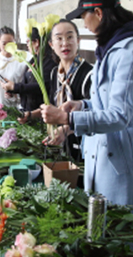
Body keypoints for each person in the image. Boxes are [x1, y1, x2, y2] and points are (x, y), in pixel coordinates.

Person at [41, 0, 133, 213]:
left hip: (120, 152)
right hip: (101, 150)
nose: (84, 24)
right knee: (101, 223)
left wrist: (67, 118)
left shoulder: (129, 51)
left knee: (122, 228)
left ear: (99, 13)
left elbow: (120, 115)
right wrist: (82, 105)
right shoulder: (111, 46)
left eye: (85, 16)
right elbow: (105, 102)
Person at [26, 19, 93, 162]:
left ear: (78, 40)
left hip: (85, 147)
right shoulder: (55, 73)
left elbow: (94, 113)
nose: (65, 43)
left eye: (70, 37)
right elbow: (53, 106)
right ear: (51, 44)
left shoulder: (89, 74)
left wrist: (66, 129)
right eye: (59, 39)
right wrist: (30, 115)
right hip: (61, 147)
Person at [1, 27, 55, 112]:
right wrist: (13, 90)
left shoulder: (49, 63)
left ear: (36, 42)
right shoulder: (33, 60)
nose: (27, 45)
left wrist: (15, 87)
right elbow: (27, 83)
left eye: (28, 41)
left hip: (39, 112)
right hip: (27, 109)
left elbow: (41, 87)